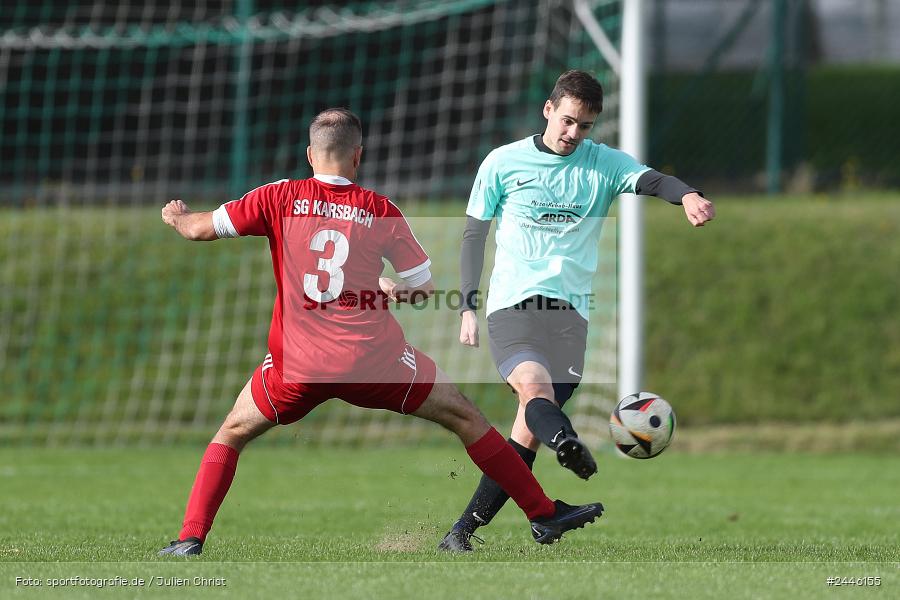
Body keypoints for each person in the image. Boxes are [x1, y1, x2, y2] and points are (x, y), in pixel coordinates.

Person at [157, 108, 603, 556]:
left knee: (231, 432)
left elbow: (198, 230)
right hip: (375, 361)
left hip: (299, 365)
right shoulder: (379, 209)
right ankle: (543, 513)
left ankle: (190, 538)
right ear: (358, 157)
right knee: (467, 419)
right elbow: (424, 287)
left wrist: (177, 216)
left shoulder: (278, 197)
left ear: (311, 154)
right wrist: (390, 289)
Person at [438, 70, 715, 552]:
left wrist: (687, 194)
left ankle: (474, 529)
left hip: (571, 317)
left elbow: (653, 180)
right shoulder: (503, 162)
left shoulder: (603, 164)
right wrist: (467, 304)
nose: (573, 134)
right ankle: (565, 444)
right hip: (513, 306)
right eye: (567, 121)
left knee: (525, 432)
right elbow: (474, 236)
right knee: (534, 391)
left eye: (584, 126)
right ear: (548, 110)